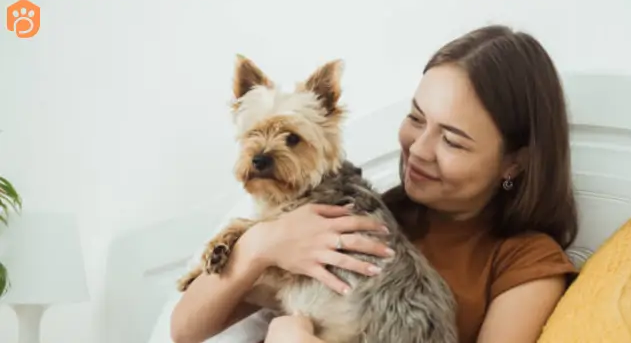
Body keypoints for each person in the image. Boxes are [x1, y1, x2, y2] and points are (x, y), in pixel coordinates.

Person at [170, 24, 579, 343]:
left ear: (514, 163)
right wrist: (264, 244)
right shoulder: (358, 214)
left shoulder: (526, 262)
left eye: (452, 140)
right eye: (416, 118)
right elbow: (186, 329)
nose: (418, 149)